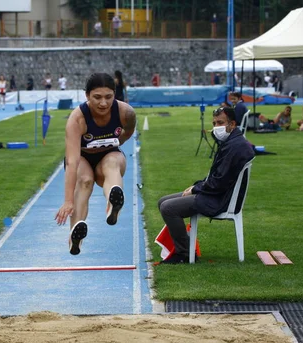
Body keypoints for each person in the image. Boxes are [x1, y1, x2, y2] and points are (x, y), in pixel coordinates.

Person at [157, 106, 254, 264]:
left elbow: (219, 182)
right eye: (214, 123)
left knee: (168, 207)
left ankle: (184, 254)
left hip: (218, 200)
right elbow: (216, 177)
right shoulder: (231, 142)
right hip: (214, 194)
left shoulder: (235, 146)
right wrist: (197, 186)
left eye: (220, 123)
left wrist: (196, 188)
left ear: (233, 124)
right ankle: (186, 248)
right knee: (163, 201)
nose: (216, 127)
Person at [55, 73, 137, 255]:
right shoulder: (77, 119)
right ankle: (75, 235)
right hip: (82, 157)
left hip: (108, 155)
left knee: (112, 163)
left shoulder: (126, 113)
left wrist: (115, 143)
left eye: (108, 97)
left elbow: (128, 132)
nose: (103, 103)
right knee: (84, 181)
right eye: (97, 97)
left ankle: (112, 203)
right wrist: (68, 201)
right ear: (87, 96)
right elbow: (72, 160)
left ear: (115, 94)